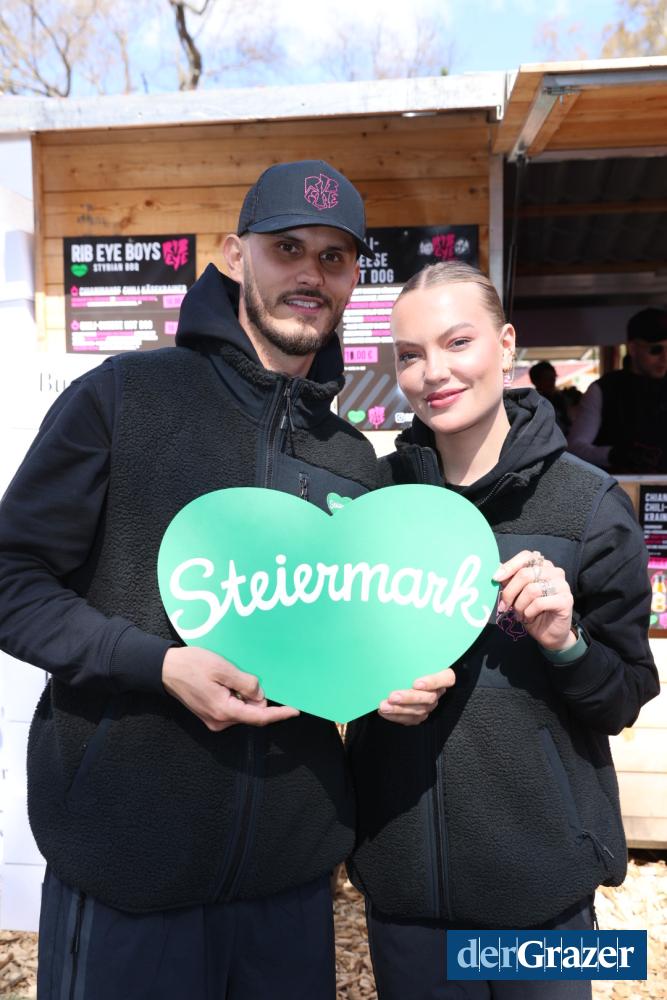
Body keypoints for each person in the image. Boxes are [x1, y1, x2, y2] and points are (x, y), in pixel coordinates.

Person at [0, 159, 403, 1000]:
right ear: (233, 254)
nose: (310, 273)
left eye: (333, 257)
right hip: (127, 870)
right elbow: (11, 578)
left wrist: (390, 680)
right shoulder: (123, 398)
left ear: (350, 280)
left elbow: (348, 649)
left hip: (288, 885)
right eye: (286, 247)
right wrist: (156, 665)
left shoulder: (352, 460)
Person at [345, 262, 660, 1000]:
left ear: (507, 343)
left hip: (543, 892)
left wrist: (566, 643)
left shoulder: (588, 506)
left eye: (458, 342)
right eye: (410, 355)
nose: (434, 372)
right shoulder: (373, 502)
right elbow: (338, 658)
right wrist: (369, 694)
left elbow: (624, 696)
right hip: (406, 886)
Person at [568, 307, 667, 474]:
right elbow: (574, 449)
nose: (665, 358)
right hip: (620, 486)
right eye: (655, 350)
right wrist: (613, 454)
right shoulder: (604, 389)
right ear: (633, 349)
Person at [528, 359, 571, 434]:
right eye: (547, 379)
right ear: (536, 381)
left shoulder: (560, 399)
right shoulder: (532, 403)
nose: (552, 382)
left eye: (553, 378)